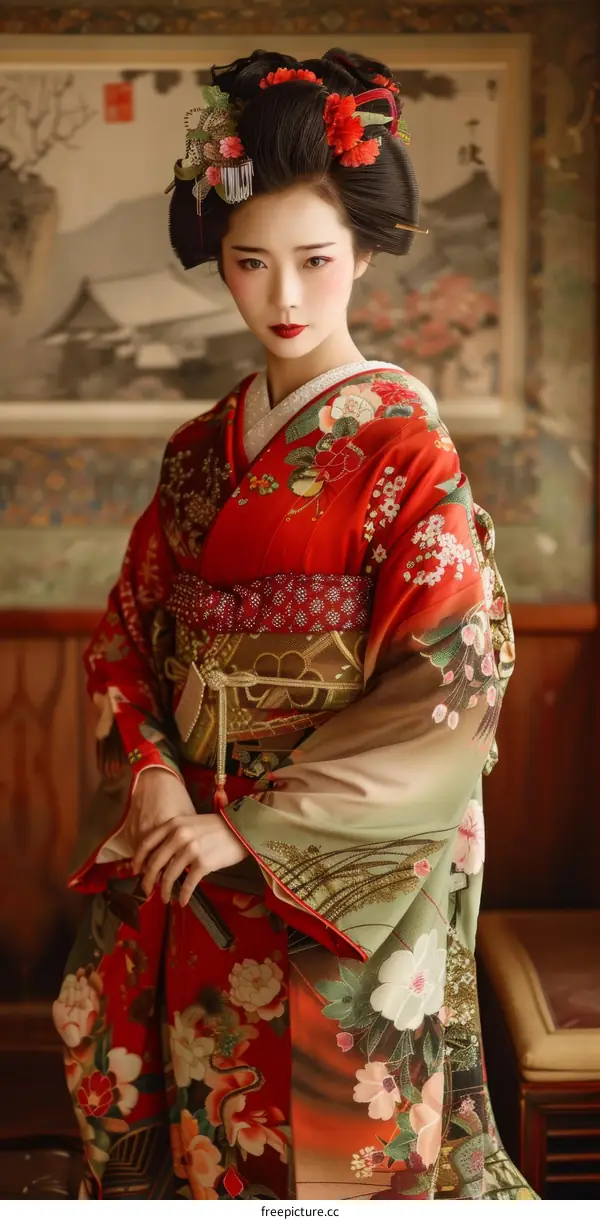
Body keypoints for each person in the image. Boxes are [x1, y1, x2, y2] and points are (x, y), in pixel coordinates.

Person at [53, 48, 534, 1201]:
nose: (285, 297)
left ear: (362, 253)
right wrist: (154, 780)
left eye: (316, 261)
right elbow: (129, 635)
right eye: (250, 262)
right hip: (192, 847)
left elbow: (451, 678)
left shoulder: (404, 448)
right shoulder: (195, 453)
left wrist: (256, 829)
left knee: (338, 1136)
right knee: (210, 1129)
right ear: (219, 262)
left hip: (332, 868)